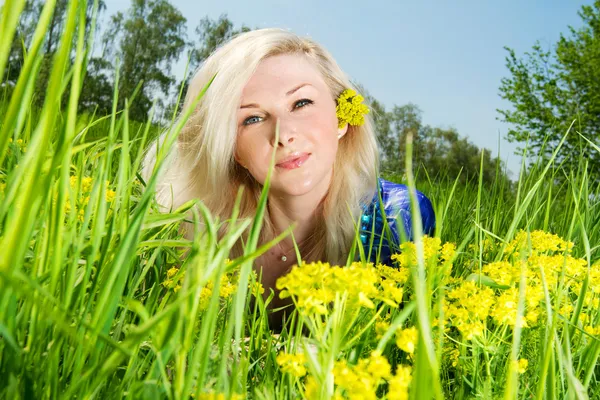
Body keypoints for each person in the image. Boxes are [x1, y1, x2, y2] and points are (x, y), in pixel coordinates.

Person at [142, 28, 435, 324]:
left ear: (342, 118)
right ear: (233, 150)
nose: (283, 135)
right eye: (252, 119)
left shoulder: (395, 218)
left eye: (301, 103)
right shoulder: (198, 228)